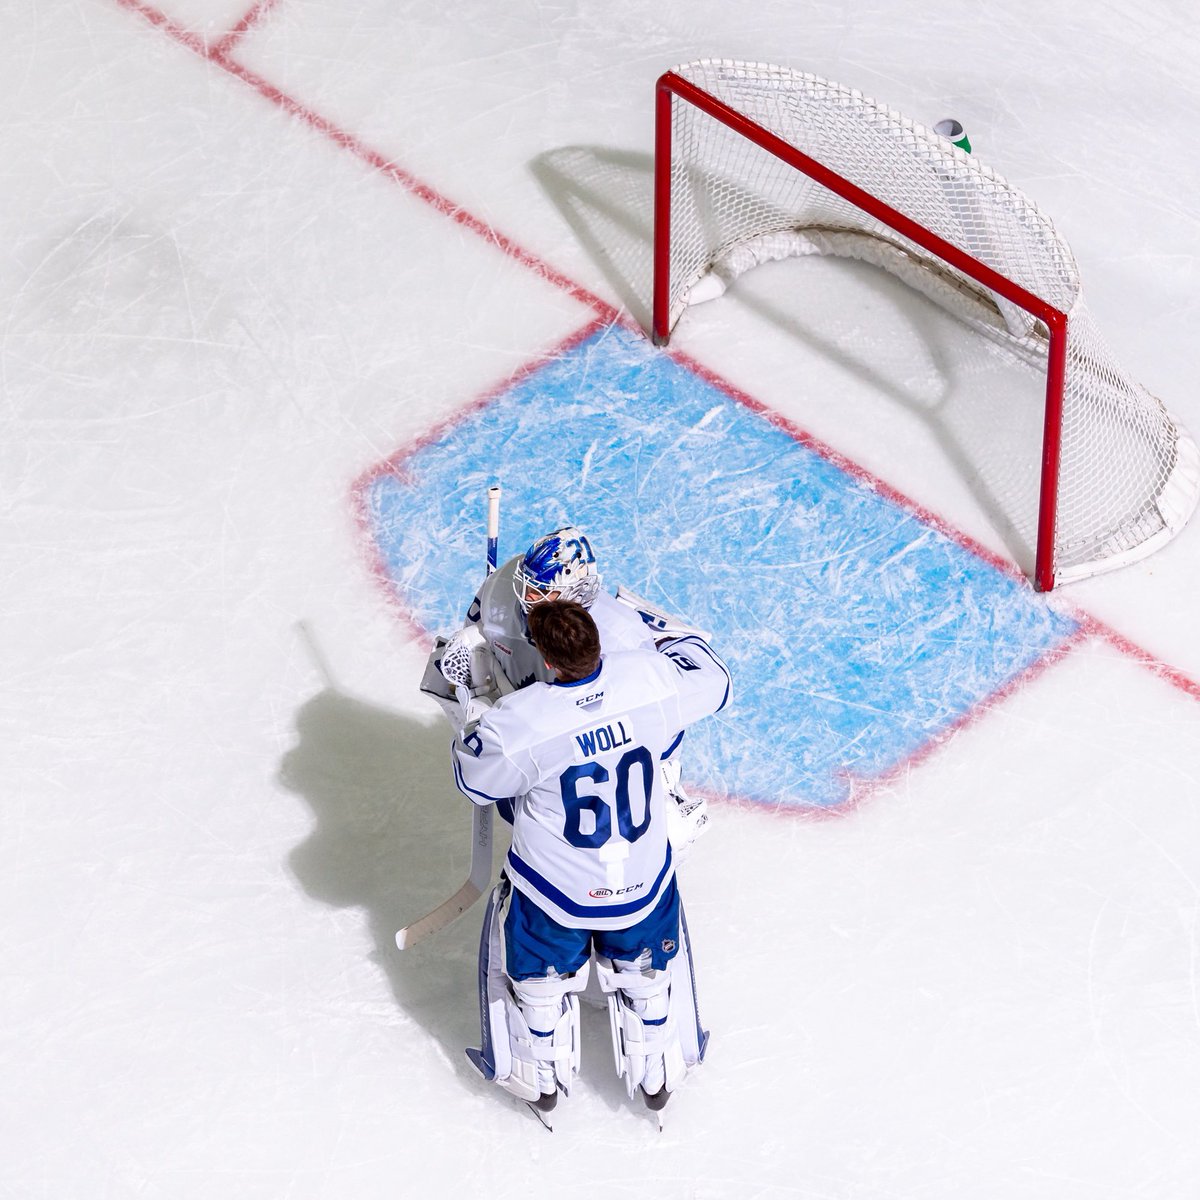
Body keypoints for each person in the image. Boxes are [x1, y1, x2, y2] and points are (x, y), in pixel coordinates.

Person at [450, 600, 731, 1126]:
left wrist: (473, 704)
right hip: (643, 882)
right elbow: (714, 682)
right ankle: (657, 1071)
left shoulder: (522, 720)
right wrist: (662, 630)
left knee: (539, 981)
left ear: (546, 660)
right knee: (647, 974)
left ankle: (539, 1074)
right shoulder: (649, 678)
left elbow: (475, 780)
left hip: (555, 890)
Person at [422, 525, 709, 853]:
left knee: (658, 828)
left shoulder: (621, 640)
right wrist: (478, 691)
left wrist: (657, 767)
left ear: (579, 594)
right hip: (537, 700)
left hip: (602, 732)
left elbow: (657, 717)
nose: (526, 598)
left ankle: (667, 797)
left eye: (541, 592)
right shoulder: (502, 589)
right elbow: (474, 639)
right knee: (445, 667)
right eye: (528, 586)